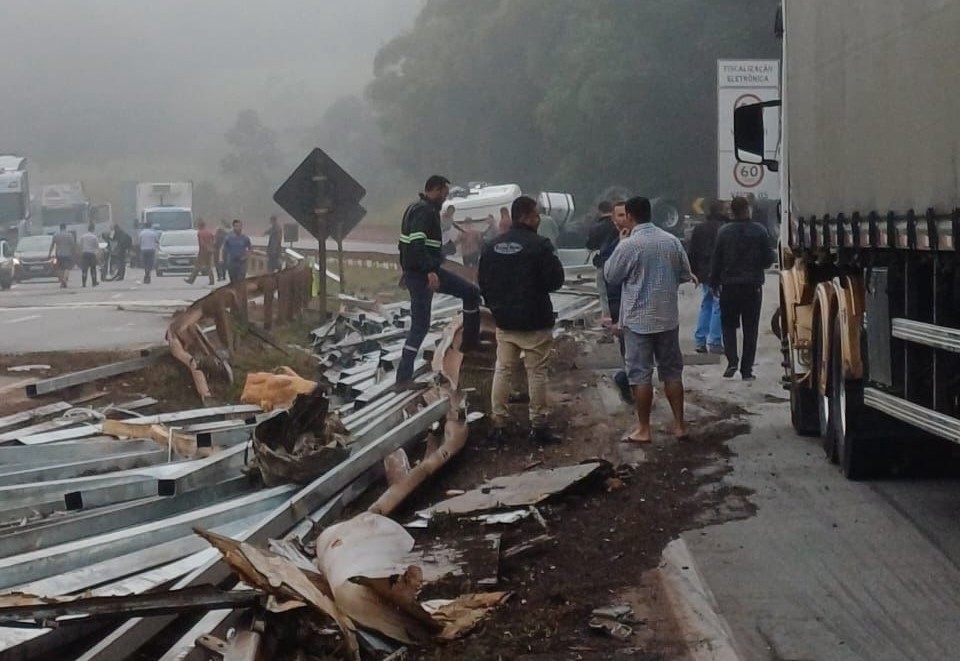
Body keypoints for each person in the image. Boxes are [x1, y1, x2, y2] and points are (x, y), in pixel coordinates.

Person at [604, 196, 693, 443]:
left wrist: (620, 244)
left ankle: (644, 428)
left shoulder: (629, 245)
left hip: (637, 320)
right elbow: (685, 273)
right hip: (667, 317)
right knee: (672, 373)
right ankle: (679, 425)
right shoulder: (671, 241)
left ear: (630, 216)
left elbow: (611, 275)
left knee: (640, 375)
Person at [479, 196, 566, 446]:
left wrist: (496, 307)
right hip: (535, 320)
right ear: (526, 217)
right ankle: (538, 427)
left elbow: (483, 281)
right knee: (536, 373)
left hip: (505, 321)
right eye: (536, 215)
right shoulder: (540, 246)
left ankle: (498, 424)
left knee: (503, 370)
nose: (538, 219)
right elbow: (555, 281)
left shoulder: (491, 246)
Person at [397, 175, 481, 385]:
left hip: (417, 272)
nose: (446, 198)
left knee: (469, 293)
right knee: (421, 325)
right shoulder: (425, 212)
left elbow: (406, 246)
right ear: (434, 190)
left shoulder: (415, 209)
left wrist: (407, 269)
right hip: (424, 274)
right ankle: (403, 377)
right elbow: (416, 244)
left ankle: (404, 376)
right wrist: (429, 272)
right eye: (444, 193)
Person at [710, 196, 774, 381]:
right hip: (752, 286)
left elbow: (717, 259)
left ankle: (732, 361)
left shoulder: (724, 232)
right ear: (747, 209)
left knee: (728, 325)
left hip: (729, 286)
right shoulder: (760, 231)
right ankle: (747, 369)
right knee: (750, 328)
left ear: (732, 211)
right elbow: (769, 259)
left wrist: (714, 282)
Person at [598, 200, 633, 404]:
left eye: (625, 215)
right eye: (619, 215)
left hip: (639, 304)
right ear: (612, 219)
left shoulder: (639, 239)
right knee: (628, 347)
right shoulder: (611, 242)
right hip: (619, 303)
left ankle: (629, 380)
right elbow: (607, 274)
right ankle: (626, 380)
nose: (623, 219)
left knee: (638, 349)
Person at [687, 200, 728, 354]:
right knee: (719, 305)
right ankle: (715, 341)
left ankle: (700, 340)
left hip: (703, 272)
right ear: (721, 211)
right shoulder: (724, 228)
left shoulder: (700, 228)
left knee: (707, 303)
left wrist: (693, 272)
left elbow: (693, 251)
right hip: (720, 272)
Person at [586, 201, 619, 318]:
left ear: (599, 211)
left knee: (604, 294)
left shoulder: (596, 227)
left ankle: (607, 318)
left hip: (602, 263)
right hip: (619, 263)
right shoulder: (618, 224)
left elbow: (590, 245)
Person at [185, 219, 216, 286]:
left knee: (197, 266)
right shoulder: (209, 232)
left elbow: (202, 243)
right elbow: (213, 240)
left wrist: (204, 250)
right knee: (208, 266)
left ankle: (191, 280)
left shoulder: (200, 233)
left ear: (199, 226)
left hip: (203, 251)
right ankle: (212, 280)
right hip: (209, 251)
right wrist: (211, 248)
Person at [223, 219, 252, 283]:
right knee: (233, 281)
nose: (238, 228)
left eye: (239, 226)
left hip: (242, 263)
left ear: (241, 227)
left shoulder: (245, 238)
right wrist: (223, 261)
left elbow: (250, 249)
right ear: (233, 227)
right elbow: (224, 250)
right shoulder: (228, 238)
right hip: (232, 263)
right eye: (236, 226)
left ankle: (241, 292)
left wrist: (246, 256)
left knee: (241, 281)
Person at [48, 223, 76, 289]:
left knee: (60, 269)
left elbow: (52, 245)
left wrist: (49, 254)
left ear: (60, 227)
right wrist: (74, 253)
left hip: (59, 254)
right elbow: (73, 245)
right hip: (67, 254)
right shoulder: (69, 235)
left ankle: (61, 282)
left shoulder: (56, 235)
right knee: (67, 268)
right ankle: (65, 279)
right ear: (65, 227)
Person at [78, 223, 100, 288]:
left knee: (84, 269)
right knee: (93, 268)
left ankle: (84, 283)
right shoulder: (94, 237)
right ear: (93, 229)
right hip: (92, 254)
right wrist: (98, 255)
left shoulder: (83, 236)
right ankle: (94, 282)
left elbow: (80, 245)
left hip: (84, 254)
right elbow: (97, 246)